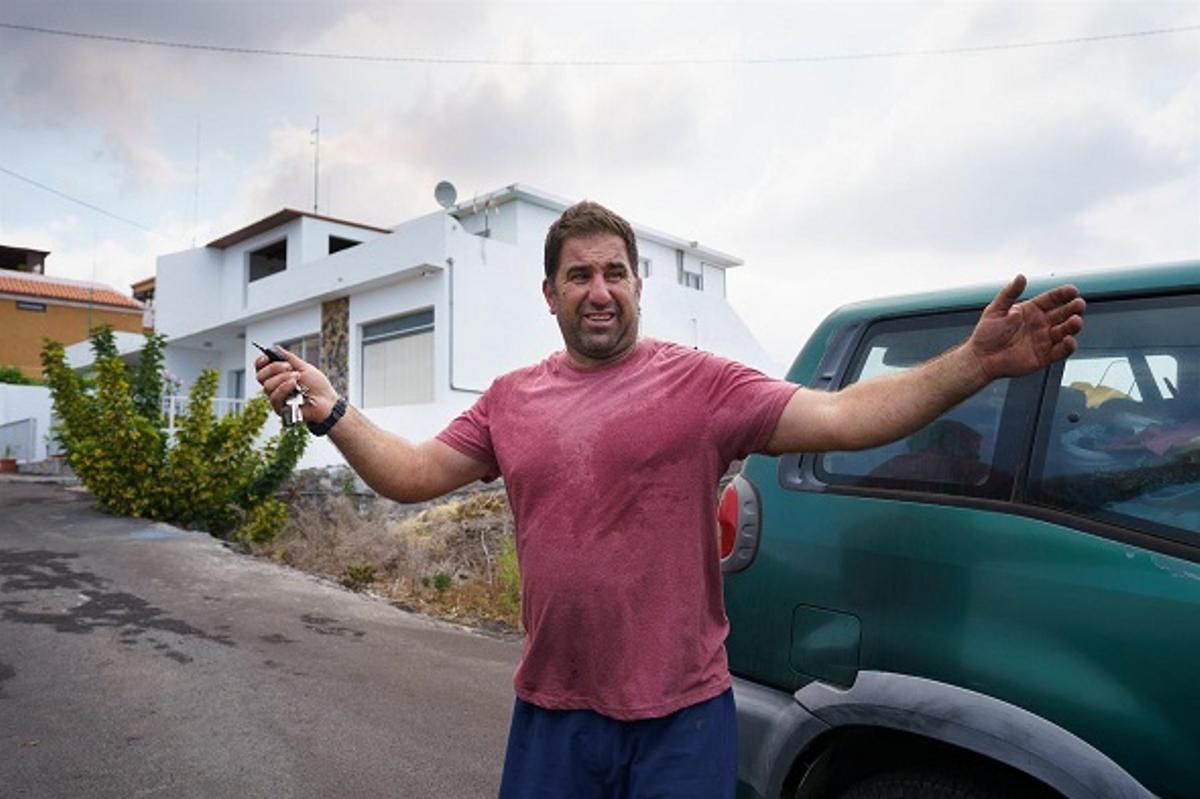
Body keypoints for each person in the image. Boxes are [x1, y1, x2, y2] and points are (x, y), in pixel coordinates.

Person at [255, 201, 1085, 798]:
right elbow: (411, 472)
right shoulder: (510, 400)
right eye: (578, 274)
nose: (599, 289)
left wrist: (970, 366)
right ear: (550, 294)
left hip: (681, 717)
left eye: (614, 271)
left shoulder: (702, 384)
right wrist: (331, 408)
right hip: (553, 711)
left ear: (639, 284)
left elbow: (843, 415)